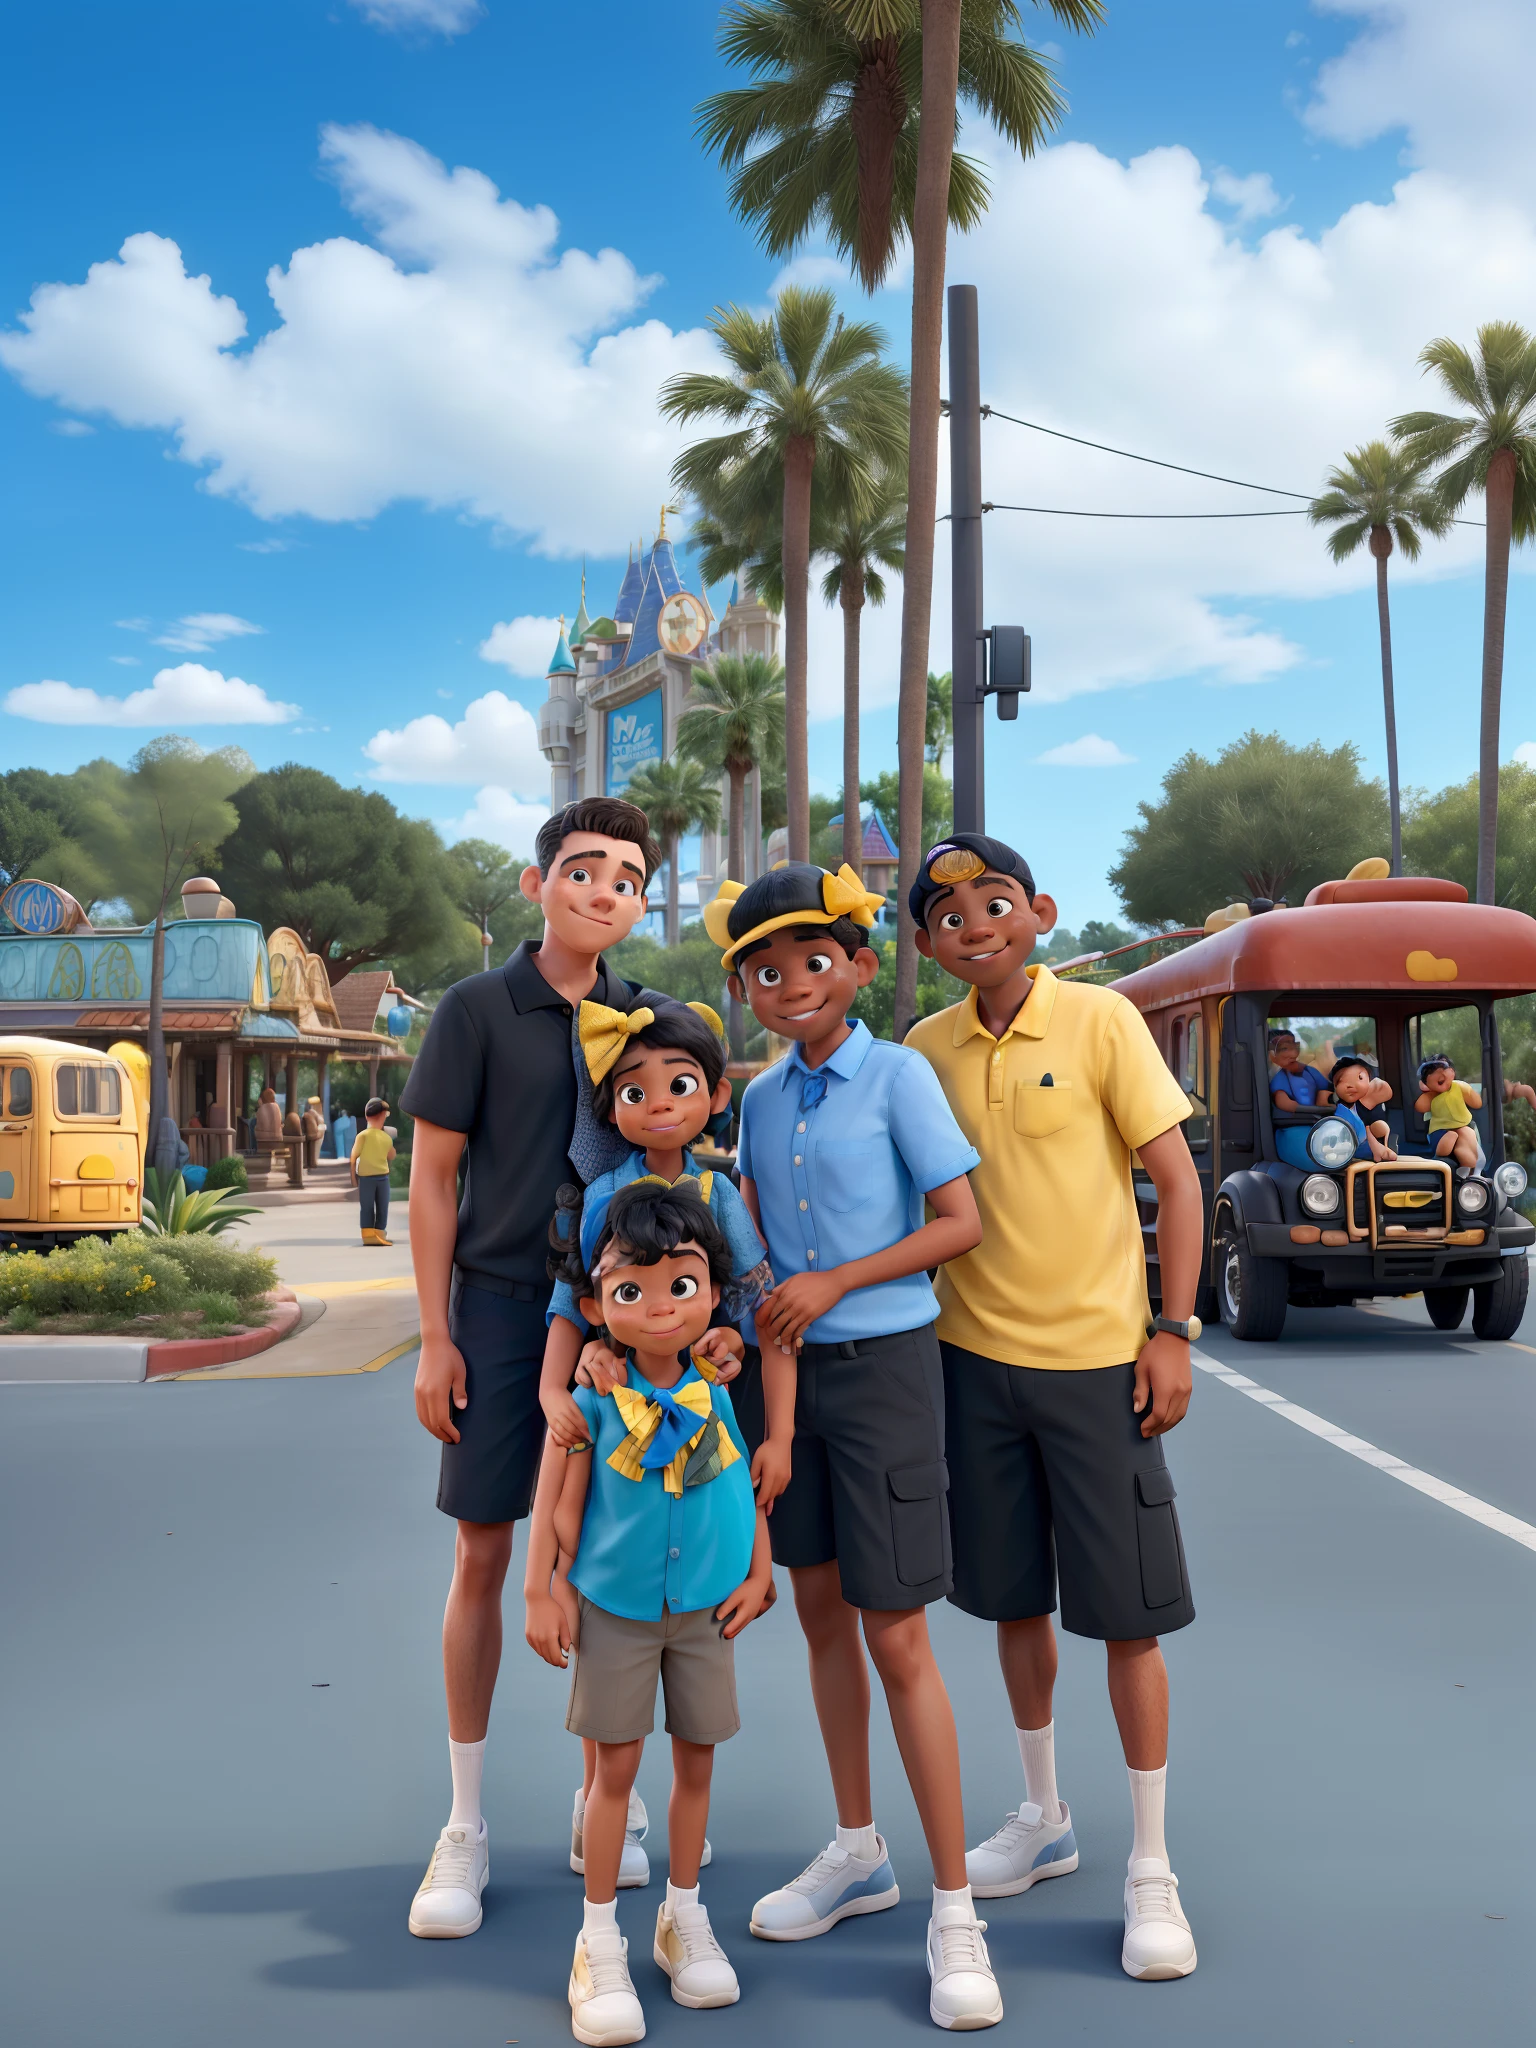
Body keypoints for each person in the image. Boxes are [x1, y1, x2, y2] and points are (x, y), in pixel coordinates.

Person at [705, 861, 1007, 2033]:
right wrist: (767, 1416)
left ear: (861, 965)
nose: (790, 985)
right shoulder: (760, 1101)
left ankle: (954, 1908)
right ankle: (856, 1848)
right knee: (821, 1615)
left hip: (887, 1373)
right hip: (792, 1389)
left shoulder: (899, 1073)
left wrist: (834, 1277)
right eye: (765, 971)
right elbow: (766, 1271)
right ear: (743, 987)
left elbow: (958, 1222)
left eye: (812, 962)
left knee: (899, 1633)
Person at [906, 833, 1205, 1982]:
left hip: (1100, 1366)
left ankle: (1151, 1864)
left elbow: (1173, 1177)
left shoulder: (1102, 1021)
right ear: (930, 946)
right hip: (967, 1366)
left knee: (1129, 1615)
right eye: (948, 915)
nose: (973, 924)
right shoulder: (923, 1050)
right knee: (1010, 1600)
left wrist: (1171, 1329)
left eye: (993, 901)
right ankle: (1043, 1813)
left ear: (1037, 908)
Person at [399, 796, 662, 1942]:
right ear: (537, 881)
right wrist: (436, 1332)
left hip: (618, 1325)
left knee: (612, 1557)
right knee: (486, 1550)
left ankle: (610, 1788)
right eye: (584, 868)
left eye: (629, 876)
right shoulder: (472, 1011)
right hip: (501, 1313)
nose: (605, 888)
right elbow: (432, 1182)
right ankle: (462, 1819)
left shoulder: (649, 1015)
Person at [525, 1181, 775, 2045]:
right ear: (597, 1304)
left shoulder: (715, 1388)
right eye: (631, 1291)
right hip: (616, 1612)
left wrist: (760, 1571)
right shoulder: (594, 1394)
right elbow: (554, 1497)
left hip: (706, 1611)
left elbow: (741, 1485)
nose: (661, 1307)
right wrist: (542, 1589)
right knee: (613, 1777)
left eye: (683, 1286)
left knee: (697, 1766)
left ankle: (682, 1915)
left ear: (712, 1297)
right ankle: (597, 1939)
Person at [540, 997, 772, 1888]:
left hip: (700, 1405)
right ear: (611, 1110)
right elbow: (576, 1298)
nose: (660, 1104)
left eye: (679, 1086)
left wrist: (731, 1345)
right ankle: (607, 1811)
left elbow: (749, 1300)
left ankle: (678, 1879)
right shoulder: (602, 1194)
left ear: (712, 1095)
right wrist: (560, 1381)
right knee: (601, 1534)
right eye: (635, 1091)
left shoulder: (720, 1191)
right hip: (615, 1401)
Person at [1415, 1056, 1481, 1171]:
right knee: (1451, 1136)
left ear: (1452, 1072)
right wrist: (1429, 1091)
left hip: (1463, 1129)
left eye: (1443, 1067)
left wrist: (1466, 1089)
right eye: (1431, 1071)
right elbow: (1420, 1106)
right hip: (1441, 1132)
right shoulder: (1431, 1097)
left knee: (1466, 1133)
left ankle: (1471, 1169)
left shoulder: (1459, 1088)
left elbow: (1477, 1103)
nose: (1439, 1073)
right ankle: (1441, 1155)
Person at [1330, 1055, 1397, 1161]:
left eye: (1360, 1078)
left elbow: (1384, 1089)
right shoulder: (1339, 1110)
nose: (1350, 1086)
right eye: (1341, 1081)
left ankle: (1380, 1150)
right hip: (1347, 1148)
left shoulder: (1368, 1103)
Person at [351, 1097, 396, 1247]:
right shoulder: (363, 1136)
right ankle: (369, 1233)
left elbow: (390, 1155)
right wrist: (353, 1177)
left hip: (382, 1177)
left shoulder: (385, 1137)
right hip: (368, 1178)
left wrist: (353, 1176)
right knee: (368, 1206)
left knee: (381, 1205)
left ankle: (379, 1232)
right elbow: (354, 1157)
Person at [1267, 1029, 1332, 1110]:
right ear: (1272, 1055)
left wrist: (1323, 1096)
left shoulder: (1309, 1071)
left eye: (1295, 1047)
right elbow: (1284, 1103)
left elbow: (1328, 1087)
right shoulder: (1280, 1078)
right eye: (1284, 1049)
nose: (1294, 1054)